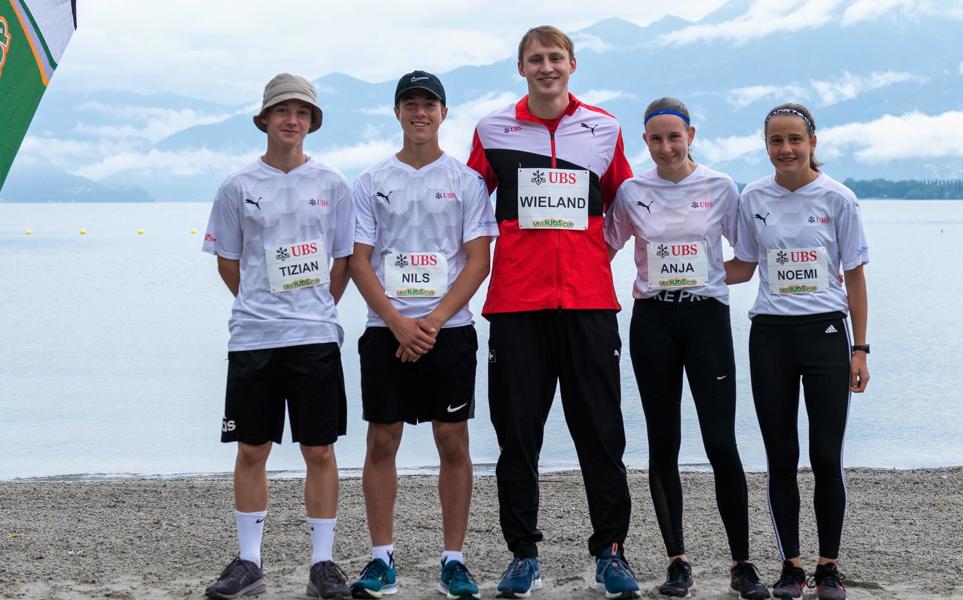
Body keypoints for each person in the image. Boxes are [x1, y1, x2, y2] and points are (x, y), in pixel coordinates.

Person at [466, 25, 640, 600]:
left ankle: (610, 552)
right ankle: (523, 555)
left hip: (589, 303)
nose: (547, 67)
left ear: (573, 64)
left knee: (602, 432)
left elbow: (626, 202)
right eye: (536, 59)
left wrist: (596, 253)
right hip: (516, 304)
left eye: (556, 58)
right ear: (521, 67)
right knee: (518, 436)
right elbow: (470, 209)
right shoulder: (492, 129)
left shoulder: (604, 127)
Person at [604, 97, 771, 600]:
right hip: (653, 319)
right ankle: (678, 561)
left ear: (691, 136)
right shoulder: (632, 191)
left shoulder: (721, 187)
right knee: (663, 442)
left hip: (706, 319)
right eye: (656, 139)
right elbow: (602, 246)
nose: (666, 147)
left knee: (721, 442)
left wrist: (712, 279)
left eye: (674, 137)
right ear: (645, 142)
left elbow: (746, 257)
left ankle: (742, 564)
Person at [201, 73, 355, 600]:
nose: (293, 120)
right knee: (251, 448)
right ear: (264, 119)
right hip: (253, 336)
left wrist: (314, 308)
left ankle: (323, 564)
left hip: (314, 333)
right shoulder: (238, 186)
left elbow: (343, 260)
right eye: (283, 111)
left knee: (320, 450)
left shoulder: (333, 184)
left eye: (303, 113)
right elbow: (227, 261)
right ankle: (249, 562)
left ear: (312, 123)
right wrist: (262, 303)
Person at [347, 70, 496, 600]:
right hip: (385, 330)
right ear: (396, 113)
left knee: (451, 440)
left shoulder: (466, 181)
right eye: (410, 103)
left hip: (449, 331)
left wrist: (431, 322)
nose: (420, 112)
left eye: (429, 104)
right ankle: (381, 558)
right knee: (382, 439)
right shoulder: (370, 181)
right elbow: (360, 261)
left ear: (443, 113)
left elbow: (478, 261)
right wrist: (397, 322)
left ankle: (453, 560)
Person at [726, 103, 870, 600]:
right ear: (765, 145)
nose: (785, 149)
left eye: (794, 140)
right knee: (781, 455)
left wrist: (860, 348)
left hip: (827, 335)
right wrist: (673, 267)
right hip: (769, 336)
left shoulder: (839, 198)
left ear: (813, 143)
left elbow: (854, 278)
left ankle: (828, 566)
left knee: (826, 455)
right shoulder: (752, 198)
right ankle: (792, 566)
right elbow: (743, 266)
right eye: (775, 141)